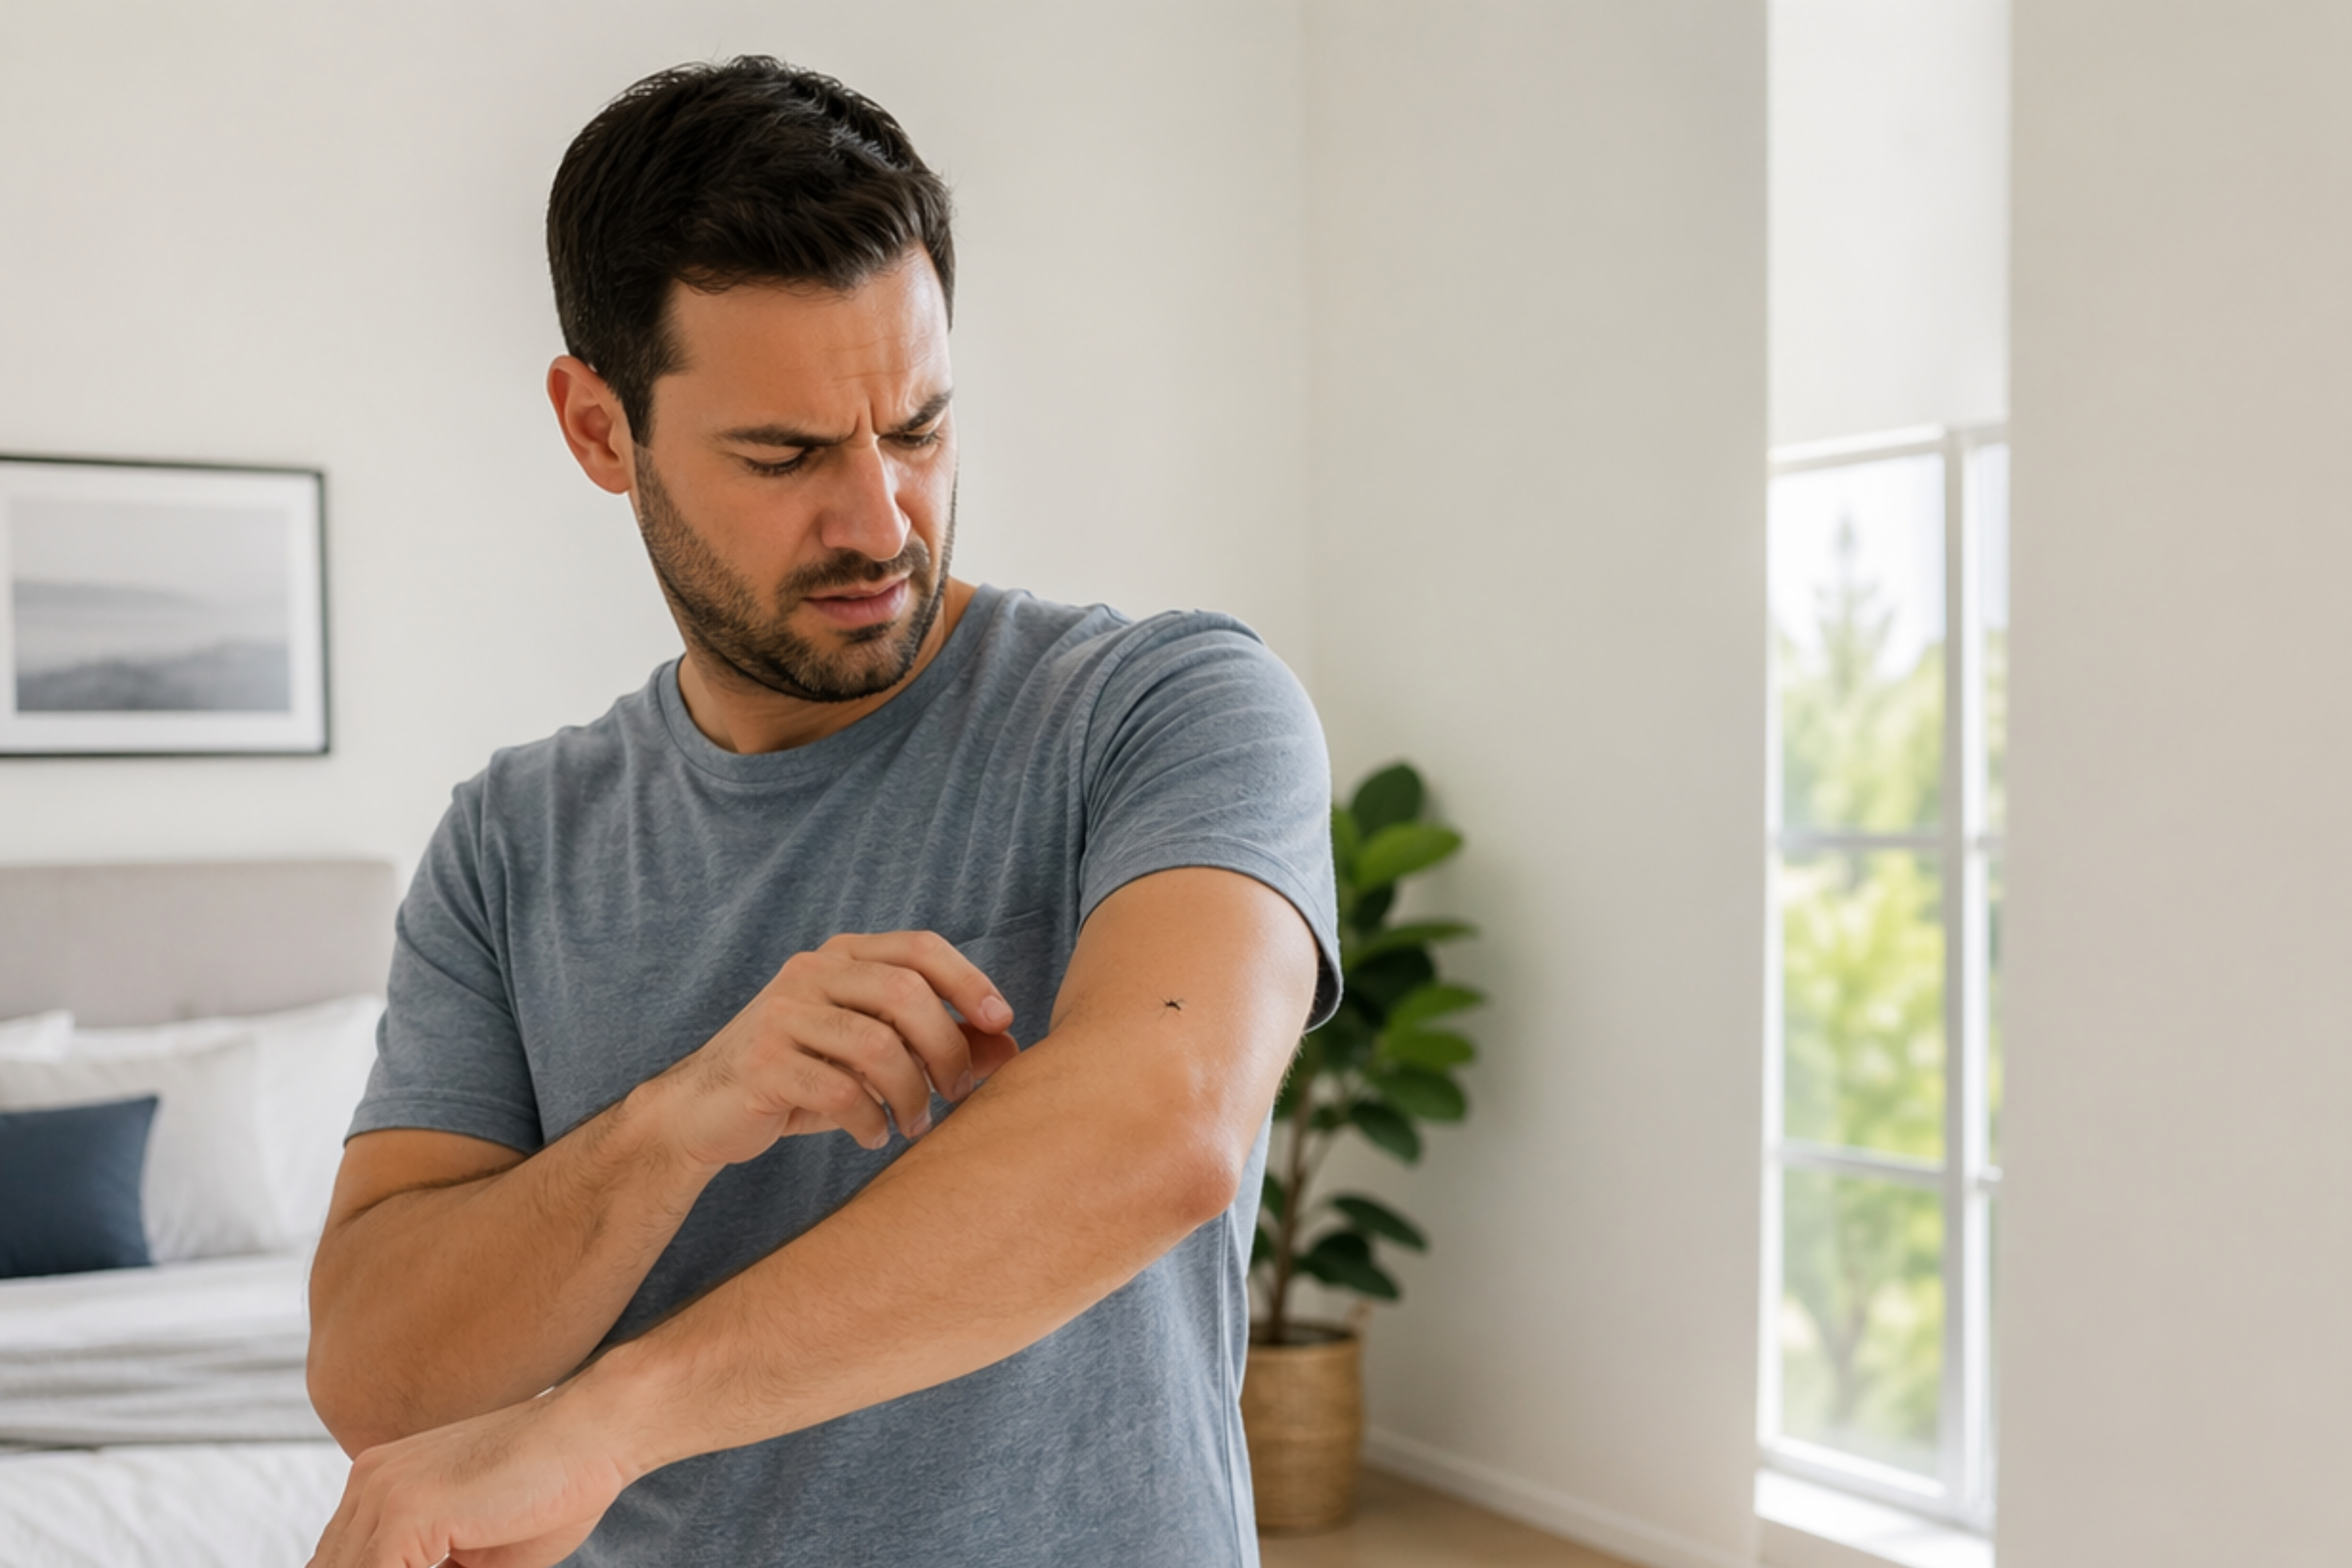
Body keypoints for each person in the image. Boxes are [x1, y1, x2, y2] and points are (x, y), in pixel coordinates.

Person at [301, 55, 1337, 1568]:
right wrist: (675, 1124)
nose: (878, 522)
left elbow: (1166, 1127)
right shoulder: (512, 842)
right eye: (783, 456)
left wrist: (608, 1420)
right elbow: (378, 1373)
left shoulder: (1163, 707)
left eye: (915, 429)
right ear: (600, 430)